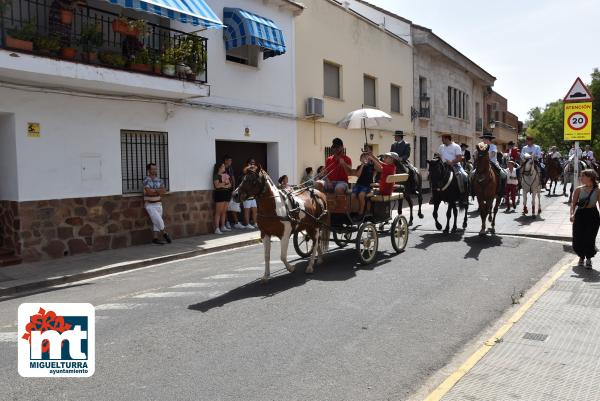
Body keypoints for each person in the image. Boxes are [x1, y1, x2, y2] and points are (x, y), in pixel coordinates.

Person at [570, 169, 600, 268]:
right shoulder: (578, 189)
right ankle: (581, 257)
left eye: (583, 176)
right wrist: (572, 215)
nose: (581, 178)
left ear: (590, 177)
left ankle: (589, 259)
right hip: (580, 215)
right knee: (578, 237)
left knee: (590, 238)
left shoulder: (597, 190)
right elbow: (573, 204)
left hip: (592, 215)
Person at [143, 163, 172, 245]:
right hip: (149, 205)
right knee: (159, 220)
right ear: (148, 170)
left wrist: (154, 191)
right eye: (153, 169)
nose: (155, 170)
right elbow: (149, 192)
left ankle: (155, 239)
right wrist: (158, 191)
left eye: (155, 169)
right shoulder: (146, 179)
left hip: (158, 204)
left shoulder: (159, 180)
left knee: (155, 221)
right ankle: (165, 234)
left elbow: (164, 191)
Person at [437, 134, 468, 204]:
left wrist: (452, 162)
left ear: (447, 139)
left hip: (455, 165)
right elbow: (438, 156)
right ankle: (435, 195)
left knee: (464, 176)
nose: (442, 140)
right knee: (434, 175)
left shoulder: (456, 146)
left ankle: (463, 196)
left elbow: (459, 158)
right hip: (443, 166)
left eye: (443, 139)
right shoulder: (441, 147)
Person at [352, 146, 376, 216]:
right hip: (358, 184)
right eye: (362, 157)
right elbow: (358, 175)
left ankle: (361, 211)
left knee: (361, 195)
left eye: (365, 157)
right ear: (360, 159)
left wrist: (372, 158)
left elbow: (380, 169)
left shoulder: (371, 166)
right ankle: (352, 210)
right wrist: (362, 165)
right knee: (352, 195)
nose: (364, 158)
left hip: (367, 186)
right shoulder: (359, 167)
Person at [223, 155, 244, 230]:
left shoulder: (230, 168)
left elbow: (233, 178)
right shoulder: (222, 168)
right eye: (229, 160)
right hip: (224, 190)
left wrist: (234, 189)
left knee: (233, 206)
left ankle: (236, 223)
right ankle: (227, 222)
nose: (231, 162)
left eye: (231, 161)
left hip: (231, 190)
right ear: (225, 160)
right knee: (225, 207)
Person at [213, 162, 233, 235]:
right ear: (219, 168)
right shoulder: (216, 176)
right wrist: (224, 184)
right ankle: (217, 228)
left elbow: (230, 185)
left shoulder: (225, 175)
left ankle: (223, 226)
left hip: (226, 194)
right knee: (218, 212)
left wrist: (224, 184)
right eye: (223, 166)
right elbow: (217, 186)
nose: (224, 167)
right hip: (220, 194)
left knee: (224, 211)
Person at [240, 158, 259, 229]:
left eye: (254, 162)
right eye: (251, 162)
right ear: (248, 163)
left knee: (255, 210)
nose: (253, 164)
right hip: (246, 195)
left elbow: (256, 169)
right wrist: (249, 166)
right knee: (247, 210)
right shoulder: (246, 172)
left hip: (253, 195)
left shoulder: (254, 173)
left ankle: (255, 223)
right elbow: (244, 170)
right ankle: (247, 224)